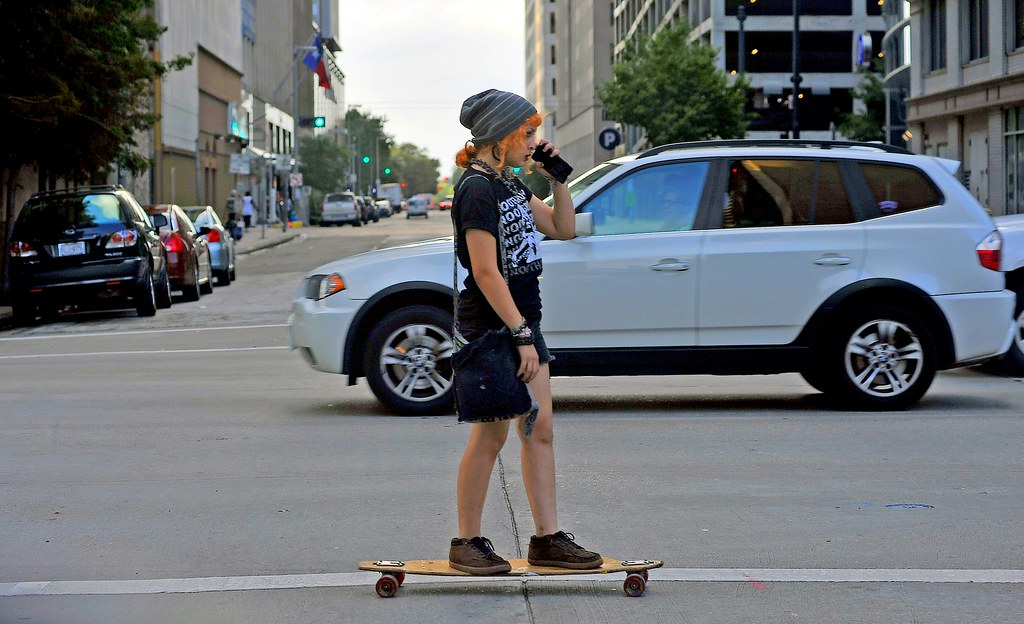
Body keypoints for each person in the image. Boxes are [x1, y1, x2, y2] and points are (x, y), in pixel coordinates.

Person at [448, 89, 602, 575]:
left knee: (540, 430)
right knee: (490, 438)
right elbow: (486, 271)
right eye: (527, 134)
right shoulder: (475, 190)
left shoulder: (510, 185)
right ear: (501, 137)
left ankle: (547, 539)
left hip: (522, 324)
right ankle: (466, 542)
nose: (534, 141)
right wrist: (519, 334)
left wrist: (557, 179)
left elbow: (562, 228)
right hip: (493, 331)